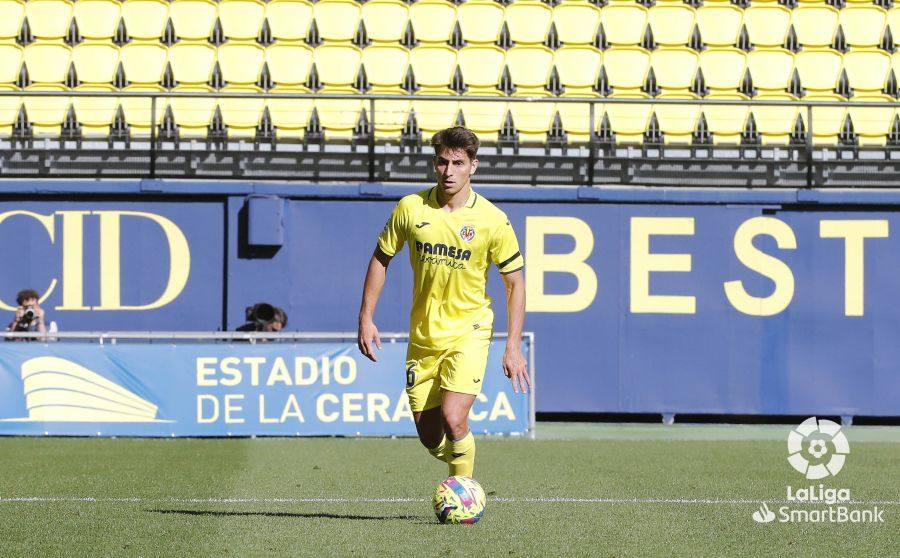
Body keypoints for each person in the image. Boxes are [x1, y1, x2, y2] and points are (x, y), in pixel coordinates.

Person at [357, 126, 530, 480]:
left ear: (473, 166)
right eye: (441, 162)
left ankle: (463, 492)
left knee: (454, 417)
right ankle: (460, 456)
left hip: (469, 330)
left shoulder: (493, 220)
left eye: (458, 163)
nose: (449, 171)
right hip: (423, 337)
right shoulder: (410, 208)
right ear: (433, 164)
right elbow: (380, 258)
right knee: (430, 435)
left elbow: (515, 283)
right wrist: (366, 316)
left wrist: (512, 344)